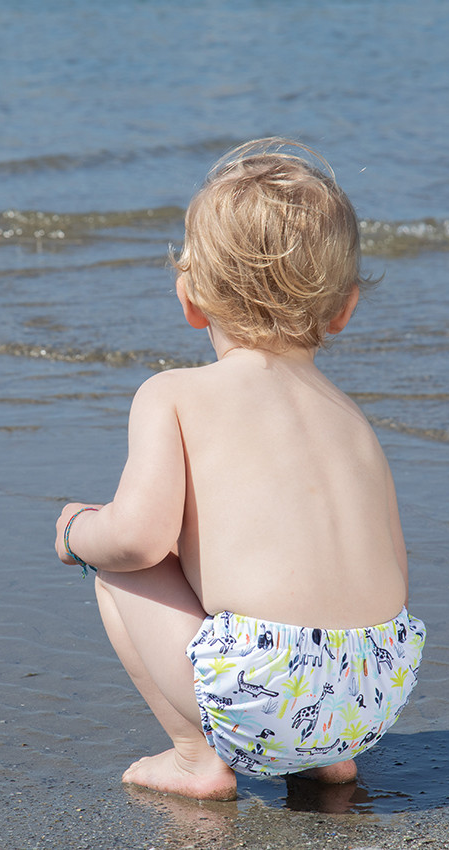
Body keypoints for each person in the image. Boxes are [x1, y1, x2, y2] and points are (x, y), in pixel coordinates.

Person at [55, 138, 425, 802]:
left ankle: (197, 757)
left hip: (265, 693)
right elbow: (394, 566)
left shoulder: (172, 394)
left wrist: (78, 530)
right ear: (344, 309)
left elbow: (138, 538)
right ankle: (324, 761)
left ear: (189, 300)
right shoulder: (352, 419)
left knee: (117, 567)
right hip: (376, 692)